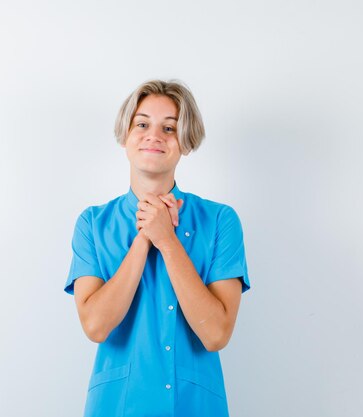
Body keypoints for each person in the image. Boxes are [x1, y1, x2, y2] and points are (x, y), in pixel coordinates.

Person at [64, 79, 250, 417]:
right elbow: (96, 326)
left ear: (186, 141)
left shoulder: (221, 221)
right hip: (118, 405)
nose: (155, 135)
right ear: (125, 136)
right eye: (142, 124)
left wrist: (167, 240)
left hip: (195, 407)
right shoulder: (92, 223)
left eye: (170, 127)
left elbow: (216, 334)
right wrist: (145, 236)